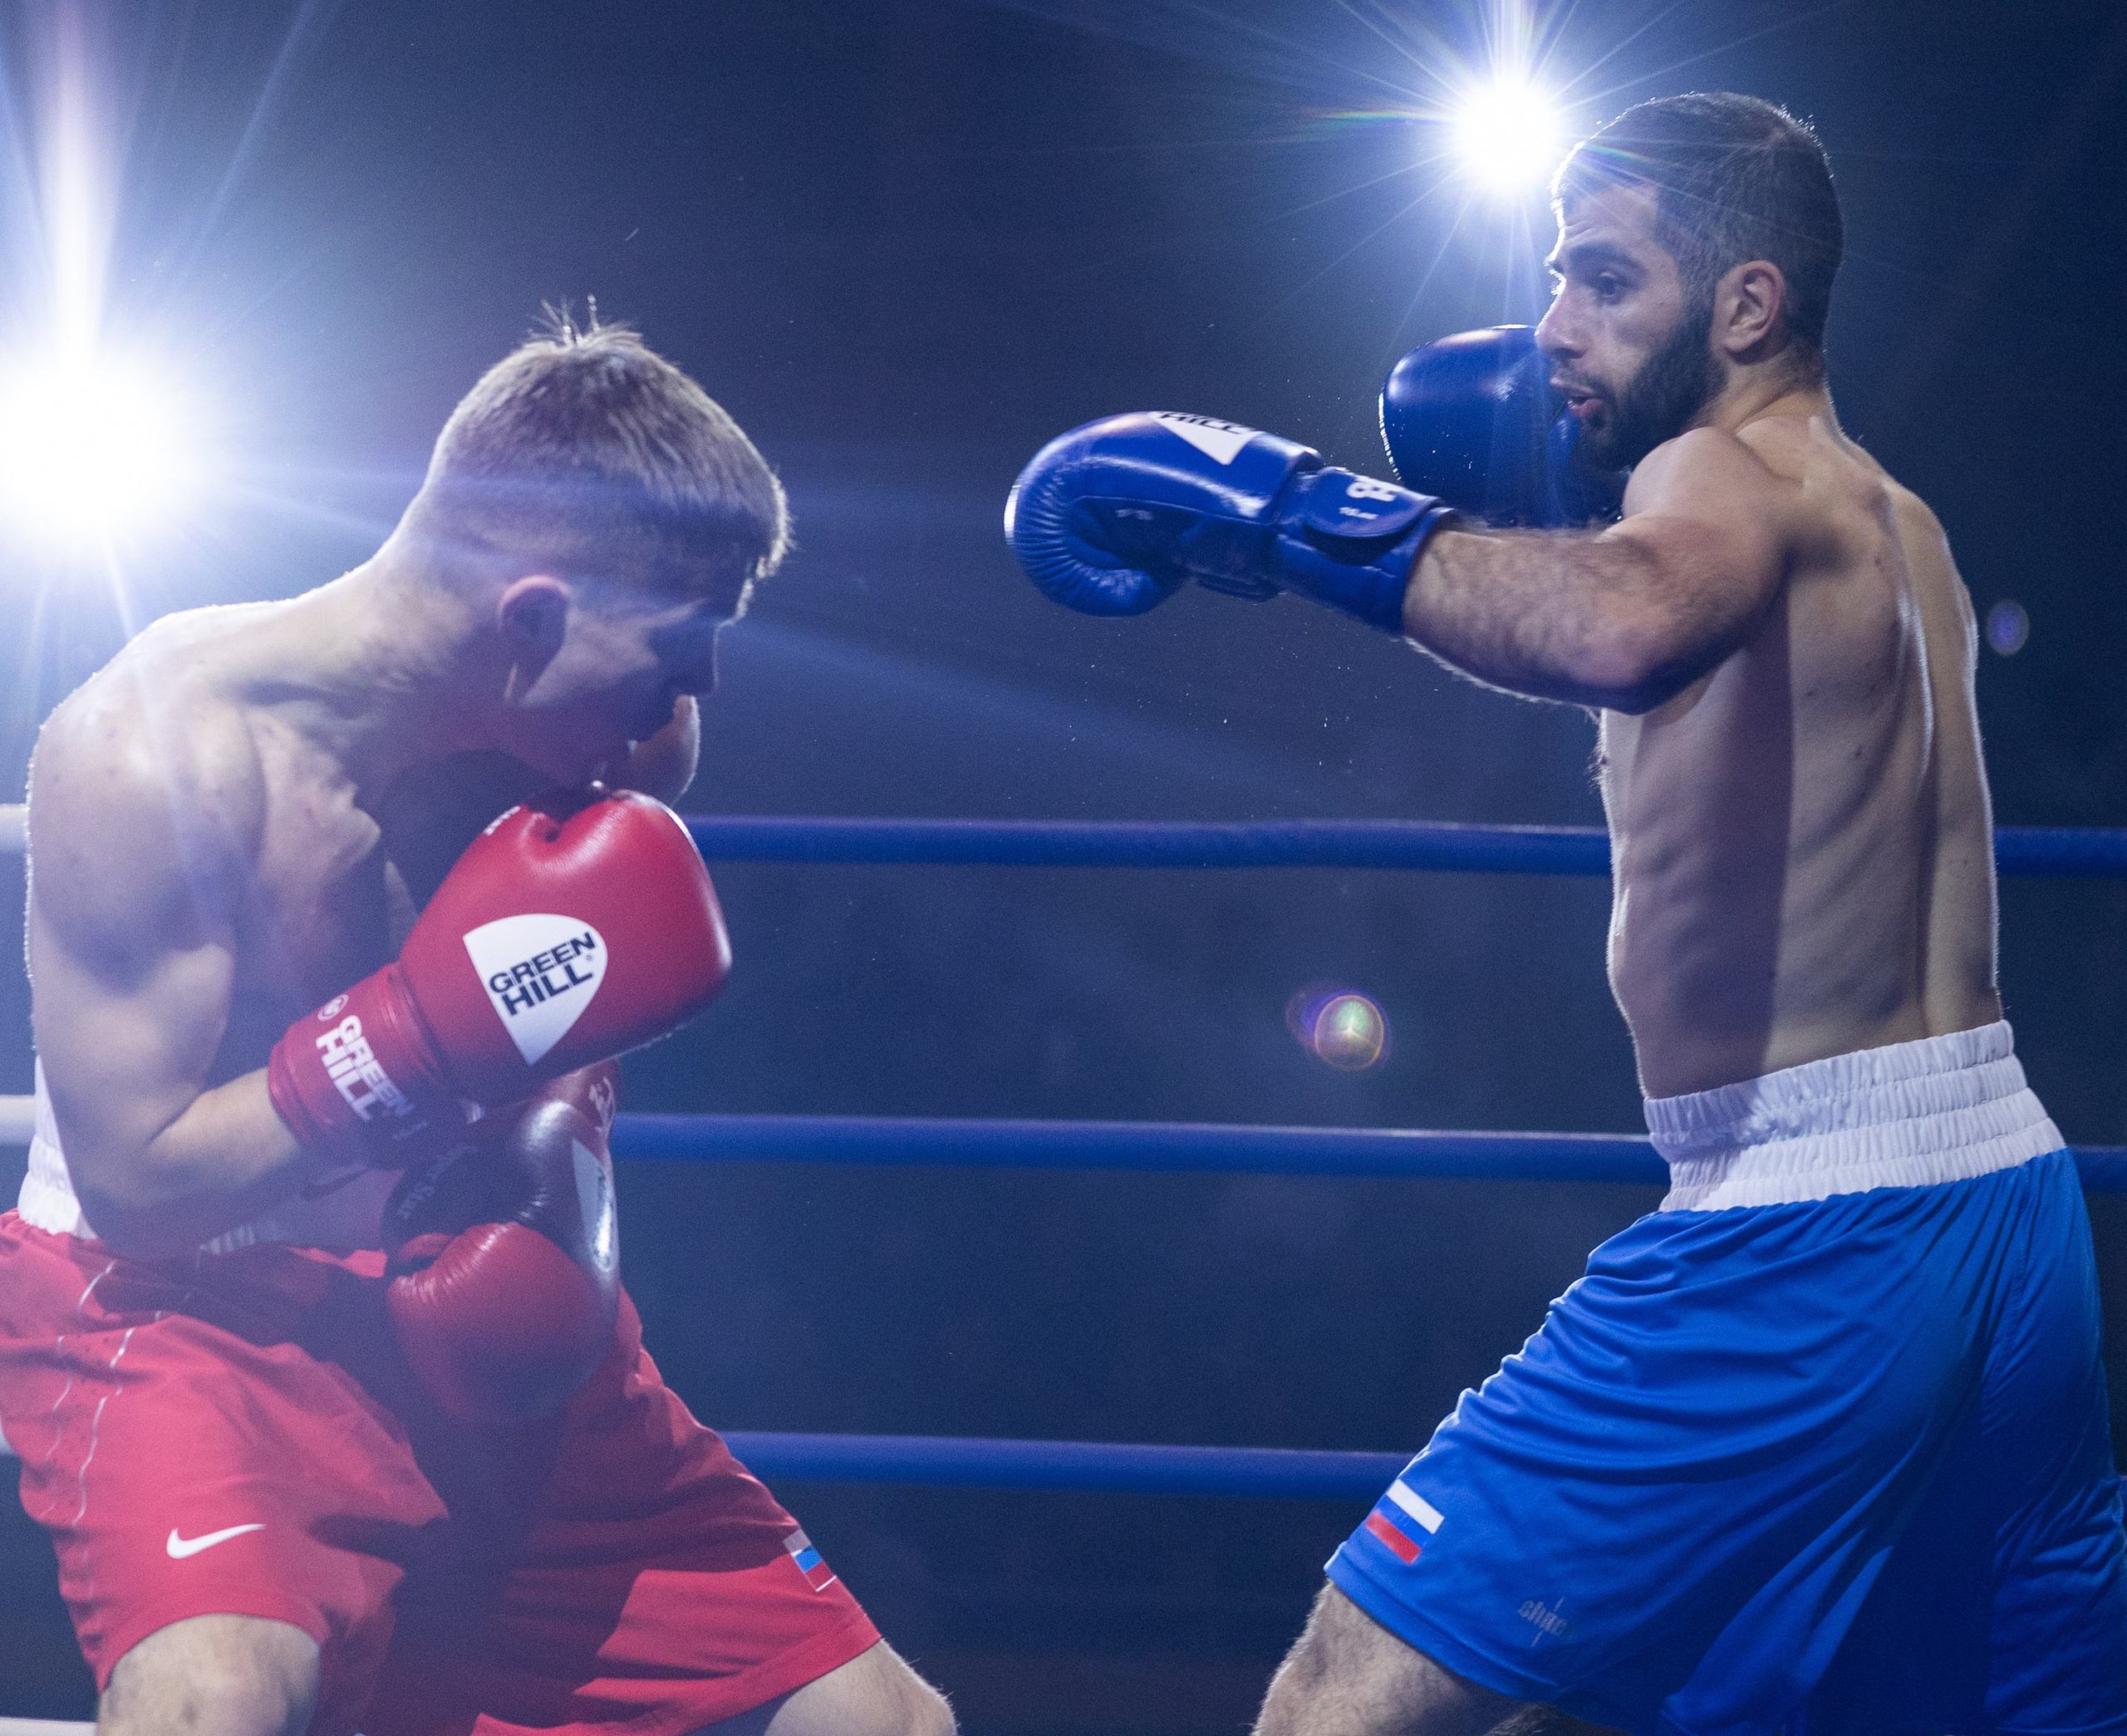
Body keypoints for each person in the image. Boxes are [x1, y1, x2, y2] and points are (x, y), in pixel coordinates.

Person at [1006, 93, 2127, 1734]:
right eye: (1552, 279)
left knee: (1337, 1693)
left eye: (1604, 281)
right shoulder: (1898, 525)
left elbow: (1627, 625)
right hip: (2004, 1218)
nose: (1549, 328)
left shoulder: (1712, 468)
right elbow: (1696, 713)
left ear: (1743, 307)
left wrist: (1291, 514)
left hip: (1800, 1233)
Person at [0, 317, 955, 1736]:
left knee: (885, 1724)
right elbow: (139, 1189)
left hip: (480, 1288)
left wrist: (552, 1177)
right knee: (216, 1708)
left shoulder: (616, 742)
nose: (695, 700)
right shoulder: (155, 760)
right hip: (193, 1313)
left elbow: (562, 1024)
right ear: (528, 621)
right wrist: (414, 1041)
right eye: (679, 646)